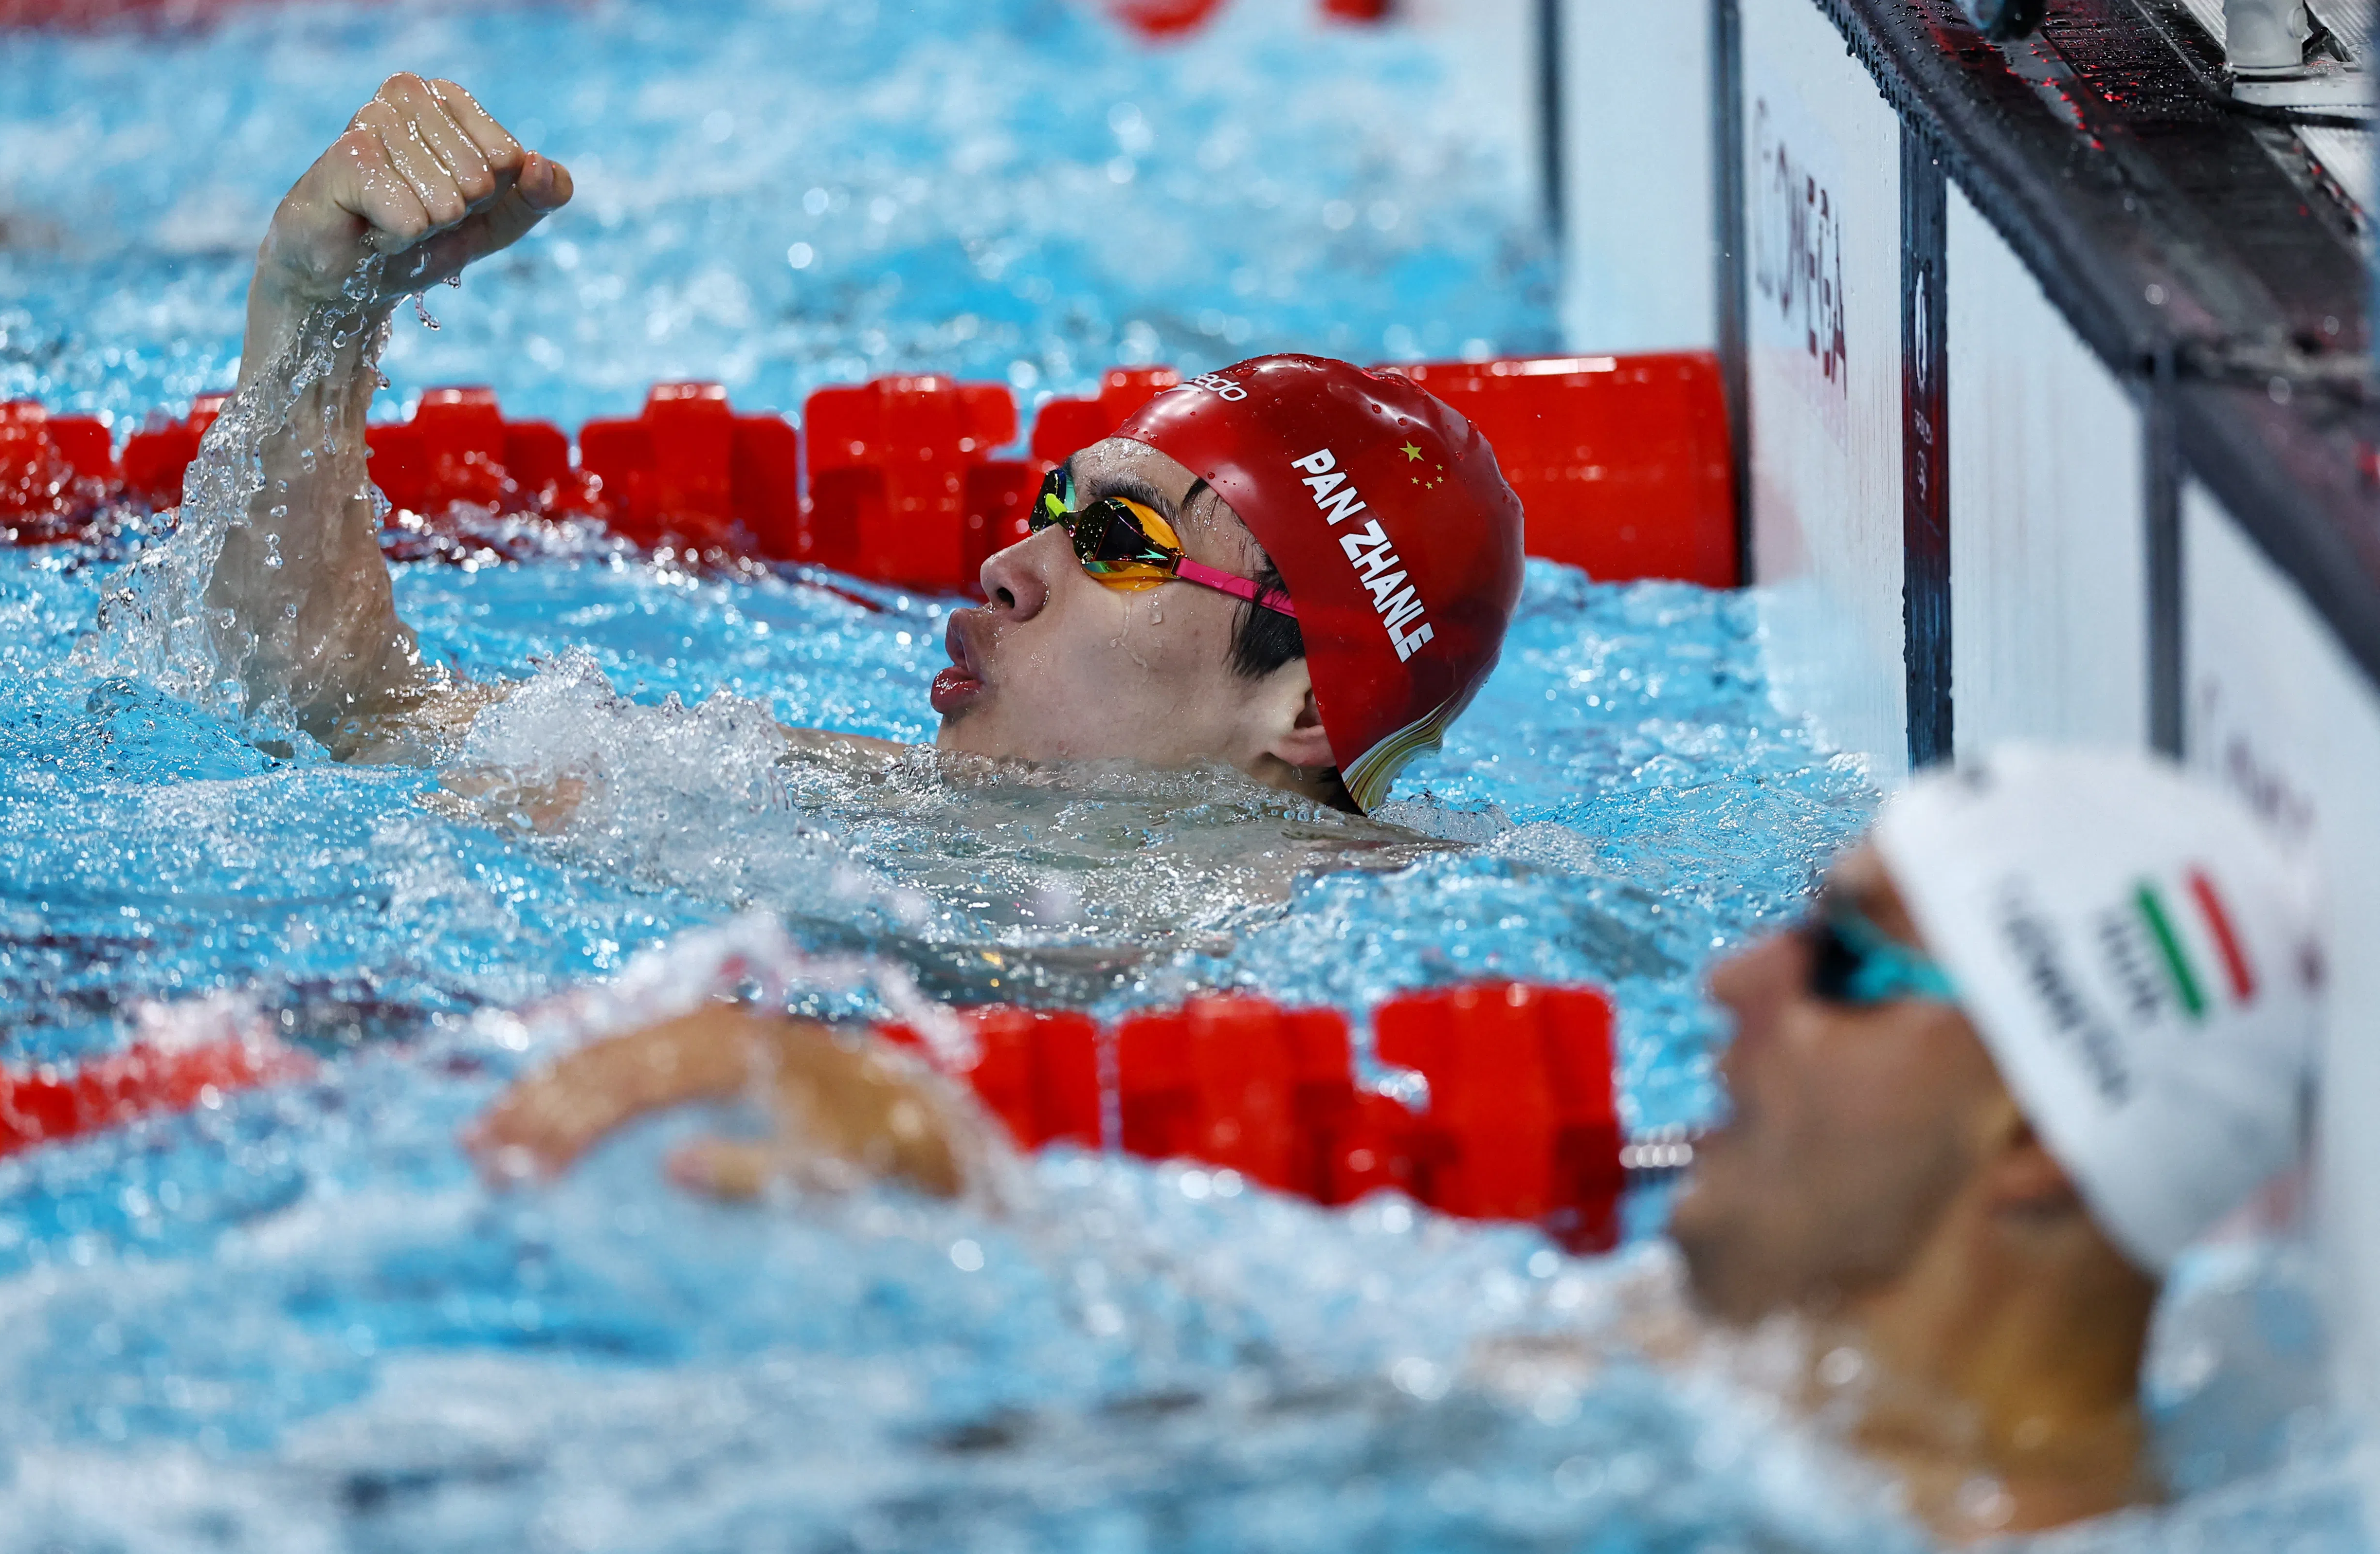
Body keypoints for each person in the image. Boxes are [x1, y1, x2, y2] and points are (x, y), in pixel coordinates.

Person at [469, 744, 2325, 1540]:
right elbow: (1319, 1360)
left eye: (1844, 959)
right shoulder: (1758, 1383)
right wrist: (956, 1166)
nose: (1747, 975)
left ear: (2031, 1145)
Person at [192, 74, 1524, 816]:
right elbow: (341, 717)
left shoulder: (1378, 939)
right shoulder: (884, 819)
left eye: (1118, 540)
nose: (1006, 561)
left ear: (1300, 708)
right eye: (1056, 507)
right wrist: (319, 317)